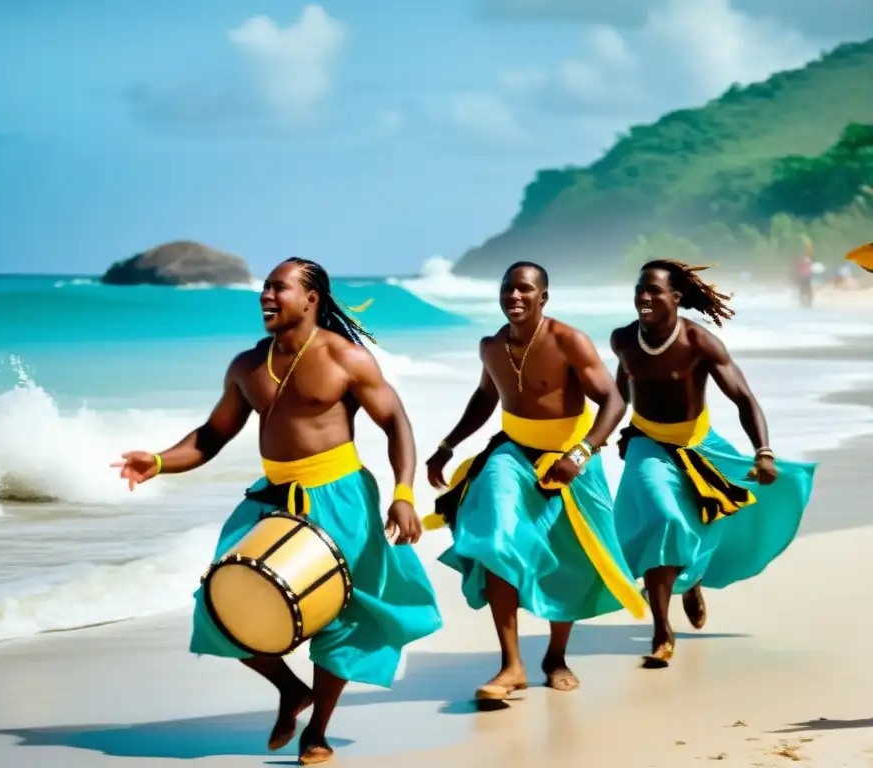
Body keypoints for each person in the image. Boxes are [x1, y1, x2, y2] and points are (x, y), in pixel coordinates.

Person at [112, 258, 442, 764]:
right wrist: (157, 460)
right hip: (274, 497)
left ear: (311, 298)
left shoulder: (345, 358)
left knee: (339, 615)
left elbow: (396, 422)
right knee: (220, 603)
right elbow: (211, 436)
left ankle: (318, 731)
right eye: (264, 287)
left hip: (339, 494)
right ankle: (292, 690)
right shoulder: (247, 366)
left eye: (279, 287)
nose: (266, 295)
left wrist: (403, 493)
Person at [423, 262, 647, 700]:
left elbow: (613, 400)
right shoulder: (491, 346)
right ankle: (511, 665)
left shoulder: (569, 341)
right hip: (512, 452)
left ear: (543, 297)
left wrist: (579, 455)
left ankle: (556, 656)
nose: (515, 296)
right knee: (495, 537)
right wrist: (448, 445)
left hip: (571, 455)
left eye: (525, 289)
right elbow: (486, 397)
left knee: (569, 556)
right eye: (508, 288)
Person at [610, 260, 816, 668]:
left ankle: (693, 580)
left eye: (654, 290)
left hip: (700, 443)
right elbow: (622, 389)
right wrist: (605, 435)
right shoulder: (623, 339)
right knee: (664, 518)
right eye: (639, 289)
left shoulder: (699, 343)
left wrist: (764, 452)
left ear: (676, 297)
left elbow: (743, 399)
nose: (644, 298)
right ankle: (661, 631)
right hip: (647, 443)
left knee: (717, 517)